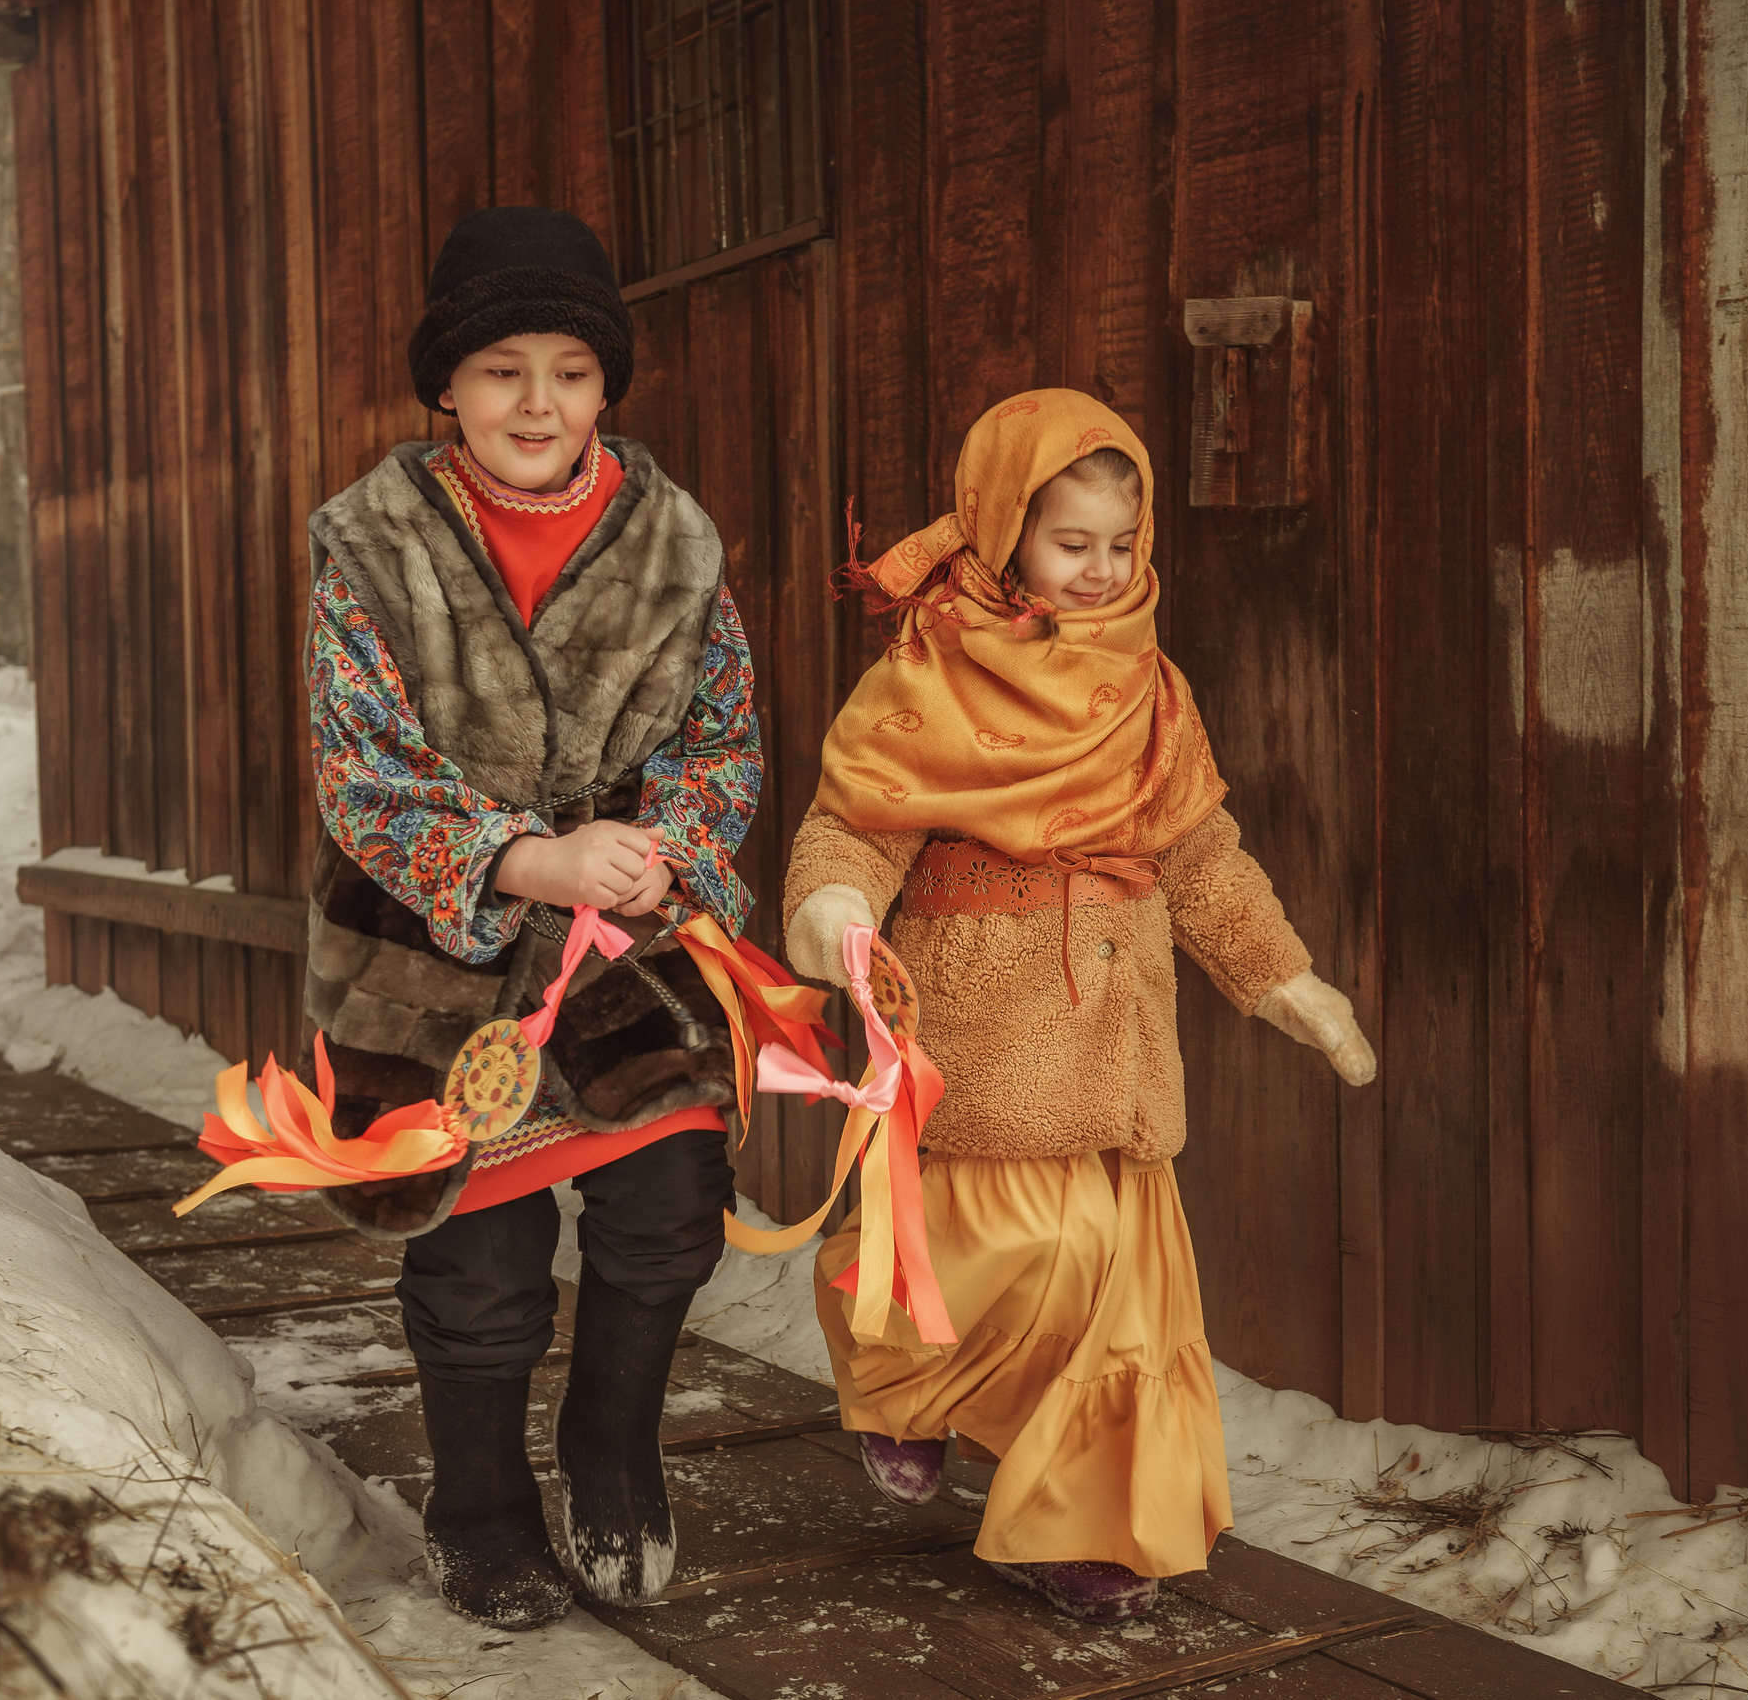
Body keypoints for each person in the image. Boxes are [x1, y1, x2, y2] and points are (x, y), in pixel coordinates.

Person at [782, 388, 1376, 1624]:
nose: (1102, 571)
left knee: (1120, 1284)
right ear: (1003, 530)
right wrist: (834, 907)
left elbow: (1200, 851)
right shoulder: (928, 672)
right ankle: (904, 1372)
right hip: (986, 1031)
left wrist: (1281, 974)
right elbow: (856, 824)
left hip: (1114, 1030)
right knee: (1014, 1252)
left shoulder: (1150, 685)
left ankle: (1086, 1524)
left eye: (1121, 542)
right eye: (1071, 542)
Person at [299, 206, 760, 1630]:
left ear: (607, 384)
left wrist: (671, 849)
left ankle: (614, 1451)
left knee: (668, 1210)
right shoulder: (370, 544)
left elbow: (721, 740)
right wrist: (516, 859)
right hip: (436, 949)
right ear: (448, 383)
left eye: (571, 368)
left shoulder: (674, 541)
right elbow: (360, 766)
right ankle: (481, 1503)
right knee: (478, 1255)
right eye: (504, 369)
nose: (539, 402)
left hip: (629, 942)